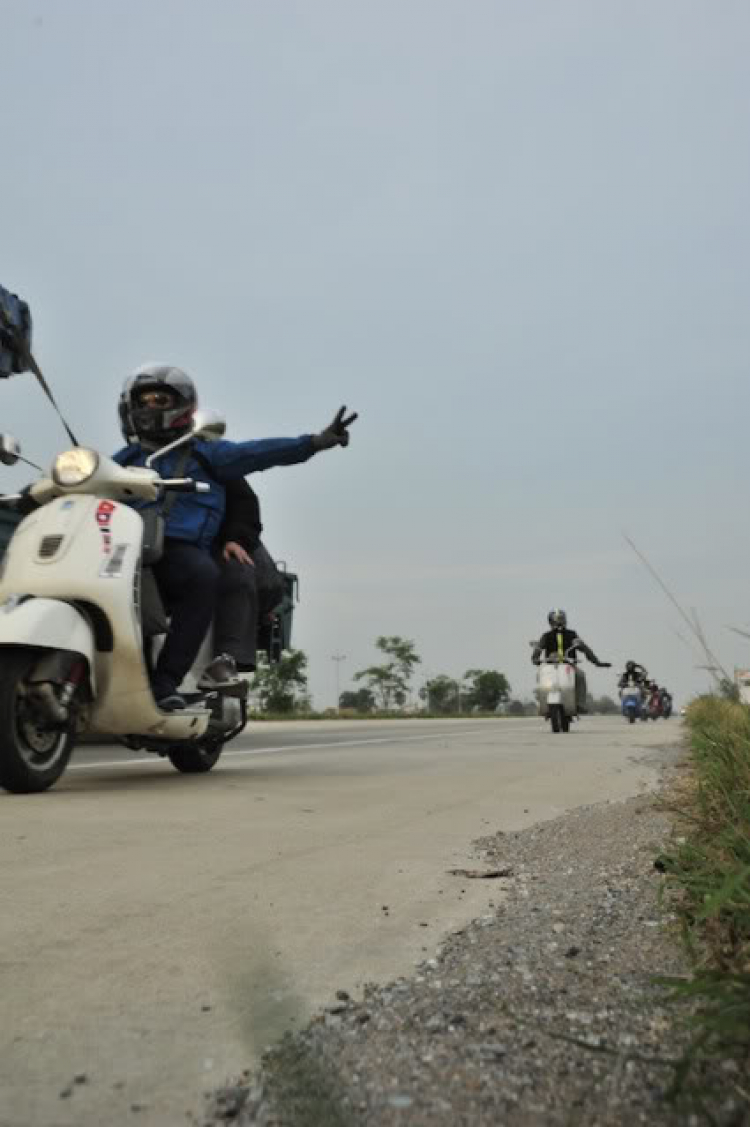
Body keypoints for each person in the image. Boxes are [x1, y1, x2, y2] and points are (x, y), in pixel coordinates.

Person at [115, 363, 356, 710]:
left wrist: (315, 442)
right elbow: (82, 481)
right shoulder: (128, 458)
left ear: (181, 405)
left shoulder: (206, 452)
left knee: (203, 575)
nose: (150, 408)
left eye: (159, 399)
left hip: (177, 550)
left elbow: (259, 452)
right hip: (127, 549)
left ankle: (166, 682)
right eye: (144, 401)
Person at [531, 608, 611, 711]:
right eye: (556, 620)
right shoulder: (546, 636)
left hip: (568, 665)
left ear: (565, 620)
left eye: (561, 619)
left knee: (580, 675)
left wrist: (597, 662)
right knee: (539, 675)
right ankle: (541, 701)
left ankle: (580, 704)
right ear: (550, 621)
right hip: (550, 666)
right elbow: (539, 648)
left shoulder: (572, 634)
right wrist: (535, 658)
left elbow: (584, 648)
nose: (559, 622)